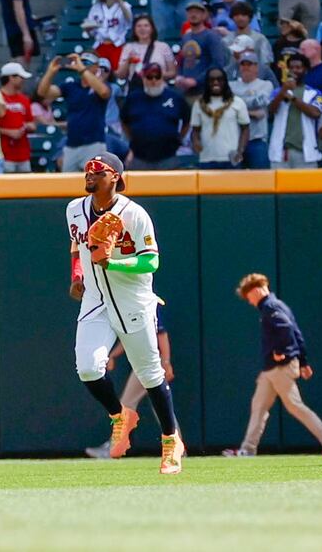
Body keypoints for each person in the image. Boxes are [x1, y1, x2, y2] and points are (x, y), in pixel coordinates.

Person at [67, 153, 185, 473]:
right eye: (87, 169)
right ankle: (120, 416)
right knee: (88, 368)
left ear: (116, 177)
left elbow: (151, 262)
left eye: (98, 170)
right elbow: (77, 247)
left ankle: (171, 441)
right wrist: (77, 274)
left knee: (150, 376)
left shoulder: (135, 214)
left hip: (132, 299)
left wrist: (113, 263)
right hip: (95, 298)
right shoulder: (74, 209)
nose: (90, 173)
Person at [224, 273, 322, 458]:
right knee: (259, 406)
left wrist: (283, 352)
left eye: (249, 297)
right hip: (271, 369)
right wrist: (303, 361)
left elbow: (286, 328)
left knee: (295, 405)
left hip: (280, 367)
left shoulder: (270, 306)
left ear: (255, 291)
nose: (250, 302)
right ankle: (247, 449)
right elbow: (297, 332)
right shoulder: (276, 305)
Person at [84, 309, 175, 459]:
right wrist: (113, 355)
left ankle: (113, 447)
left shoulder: (146, 301)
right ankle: (176, 447)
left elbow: (161, 333)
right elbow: (129, 339)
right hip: (145, 359)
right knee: (159, 406)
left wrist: (165, 362)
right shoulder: (127, 302)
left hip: (152, 361)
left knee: (127, 404)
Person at [37, 53, 111, 172]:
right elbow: (42, 92)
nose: (83, 66)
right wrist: (51, 72)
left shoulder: (101, 86)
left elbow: (104, 92)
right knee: (69, 187)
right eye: (81, 62)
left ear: (96, 67)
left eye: (87, 63)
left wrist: (82, 69)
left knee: (95, 185)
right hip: (71, 145)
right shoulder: (71, 86)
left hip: (94, 144)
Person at [268, 53, 322, 168]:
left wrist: (293, 98)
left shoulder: (314, 93)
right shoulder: (277, 92)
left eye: (298, 67)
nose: (294, 70)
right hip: (281, 152)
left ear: (305, 70)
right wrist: (283, 91)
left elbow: (315, 113)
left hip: (306, 152)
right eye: (291, 67)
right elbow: (270, 111)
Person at [190, 68, 250, 169]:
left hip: (231, 159)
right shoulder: (199, 104)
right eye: (211, 80)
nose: (215, 82)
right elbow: (195, 130)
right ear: (207, 82)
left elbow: (245, 129)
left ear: (225, 81)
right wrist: (196, 142)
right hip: (207, 158)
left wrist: (240, 151)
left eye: (219, 79)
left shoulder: (237, 102)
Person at [229, 53, 273, 169]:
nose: (246, 67)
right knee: (233, 181)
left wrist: (237, 104)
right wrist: (252, 112)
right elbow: (227, 106)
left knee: (261, 181)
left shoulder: (266, 85)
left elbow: (260, 102)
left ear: (256, 67)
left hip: (257, 140)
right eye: (243, 64)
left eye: (250, 64)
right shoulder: (231, 85)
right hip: (235, 141)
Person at [81, 0, 132, 71]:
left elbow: (129, 20)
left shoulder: (125, 5)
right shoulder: (96, 7)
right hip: (99, 44)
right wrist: (88, 29)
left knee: (116, 72)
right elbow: (89, 31)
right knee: (97, 72)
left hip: (117, 45)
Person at [0, 61, 35, 173]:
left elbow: (31, 122)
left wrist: (28, 126)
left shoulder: (24, 99)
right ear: (11, 78)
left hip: (23, 154)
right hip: (4, 153)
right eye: (20, 77)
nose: (23, 80)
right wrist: (9, 132)